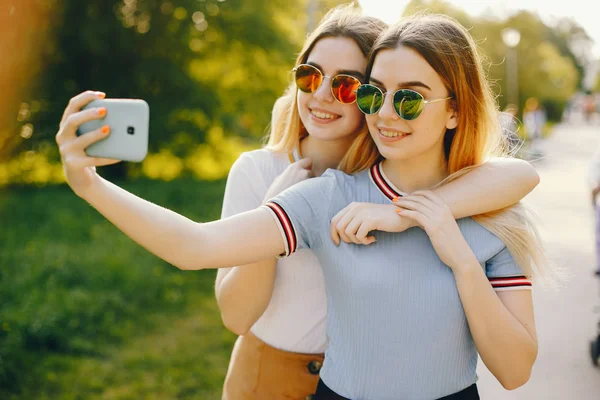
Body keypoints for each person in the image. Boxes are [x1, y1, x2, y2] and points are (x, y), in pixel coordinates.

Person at [54, 13, 546, 400]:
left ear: (457, 108)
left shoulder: (494, 206)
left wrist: (452, 250)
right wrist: (89, 185)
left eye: (412, 100)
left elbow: (515, 371)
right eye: (375, 95)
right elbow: (194, 245)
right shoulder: (326, 196)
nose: (389, 113)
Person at [215, 6, 538, 399]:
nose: (320, 95)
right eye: (309, 76)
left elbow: (520, 176)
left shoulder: (392, 172)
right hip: (273, 373)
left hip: (351, 379)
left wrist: (403, 213)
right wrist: (272, 215)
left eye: (349, 86)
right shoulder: (260, 171)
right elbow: (235, 315)